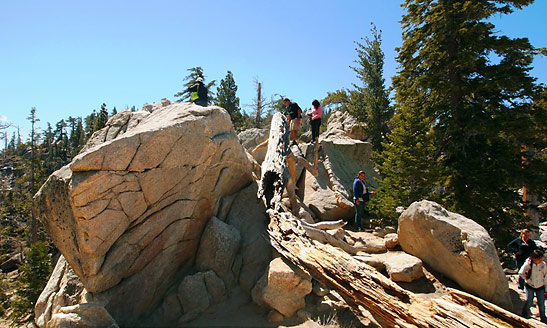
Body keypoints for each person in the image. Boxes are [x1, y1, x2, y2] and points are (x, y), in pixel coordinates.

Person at [519, 249, 547, 323]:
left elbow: (545, 276)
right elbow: (521, 273)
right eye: (539, 259)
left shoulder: (543, 265)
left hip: (540, 286)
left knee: (541, 303)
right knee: (529, 301)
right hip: (530, 286)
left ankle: (543, 318)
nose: (541, 260)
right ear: (534, 259)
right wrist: (528, 280)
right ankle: (525, 314)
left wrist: (546, 288)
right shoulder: (528, 264)